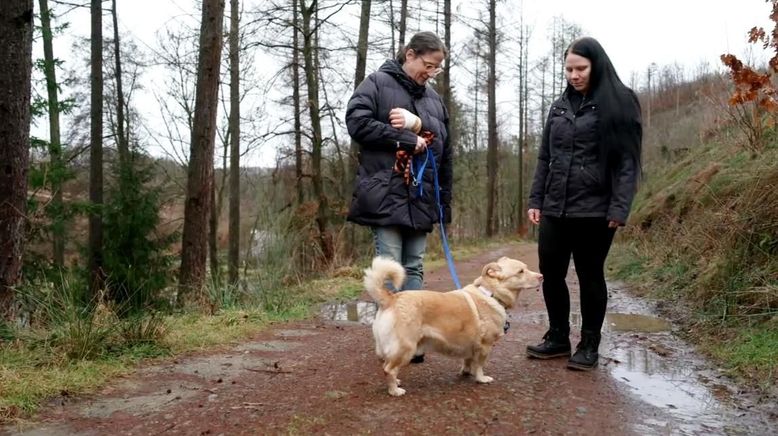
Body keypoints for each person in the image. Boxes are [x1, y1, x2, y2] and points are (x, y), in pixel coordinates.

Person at [526, 37, 642, 371]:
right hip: (555, 207)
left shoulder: (620, 102)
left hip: (595, 209)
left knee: (590, 275)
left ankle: (589, 343)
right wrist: (537, 198)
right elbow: (546, 156)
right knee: (551, 274)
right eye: (569, 69)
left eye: (581, 69)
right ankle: (557, 337)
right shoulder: (559, 106)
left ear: (597, 65)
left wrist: (620, 207)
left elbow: (626, 162)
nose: (574, 75)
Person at [345, 31, 452, 298]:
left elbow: (444, 152)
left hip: (421, 196)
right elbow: (357, 123)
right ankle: (392, 336)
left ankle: (413, 334)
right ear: (410, 55)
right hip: (386, 192)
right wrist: (404, 139)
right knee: (390, 267)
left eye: (436, 69)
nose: (430, 73)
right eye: (428, 66)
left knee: (414, 266)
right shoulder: (376, 83)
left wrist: (443, 205)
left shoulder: (435, 101)